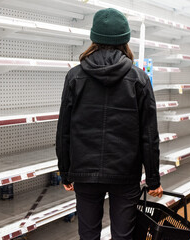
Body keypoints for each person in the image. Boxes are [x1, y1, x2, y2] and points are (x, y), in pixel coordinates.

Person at [56, 8, 163, 240]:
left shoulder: (74, 77)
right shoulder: (139, 79)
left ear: (94, 38)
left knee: (88, 234)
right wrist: (153, 177)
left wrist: (66, 171)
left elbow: (64, 129)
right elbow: (149, 134)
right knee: (123, 236)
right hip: (125, 173)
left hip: (84, 171)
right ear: (125, 41)